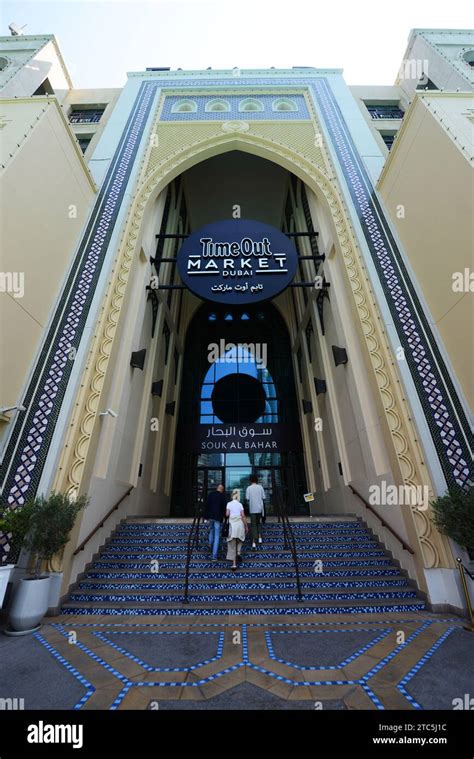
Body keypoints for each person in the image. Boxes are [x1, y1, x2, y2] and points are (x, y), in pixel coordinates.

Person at [225, 489, 248, 571]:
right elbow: (243, 516)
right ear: (238, 496)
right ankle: (238, 552)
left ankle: (234, 565)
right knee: (240, 540)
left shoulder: (229, 504)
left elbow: (227, 514)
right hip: (239, 525)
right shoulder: (240, 504)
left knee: (232, 545)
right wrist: (246, 526)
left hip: (232, 526)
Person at [205, 484, 227, 561]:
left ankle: (210, 544)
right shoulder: (222, 496)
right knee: (217, 536)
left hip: (210, 516)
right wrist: (225, 517)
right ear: (222, 489)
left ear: (217, 488)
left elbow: (207, 505)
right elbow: (224, 508)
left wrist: (205, 516)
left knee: (211, 530)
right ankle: (214, 556)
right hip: (218, 518)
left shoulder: (211, 494)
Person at [246, 474, 265, 549]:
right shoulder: (260, 487)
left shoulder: (249, 488)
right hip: (259, 509)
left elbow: (247, 498)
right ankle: (260, 538)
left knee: (253, 525)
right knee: (258, 523)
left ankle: (254, 542)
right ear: (256, 480)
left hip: (252, 509)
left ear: (250, 480)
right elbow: (263, 497)